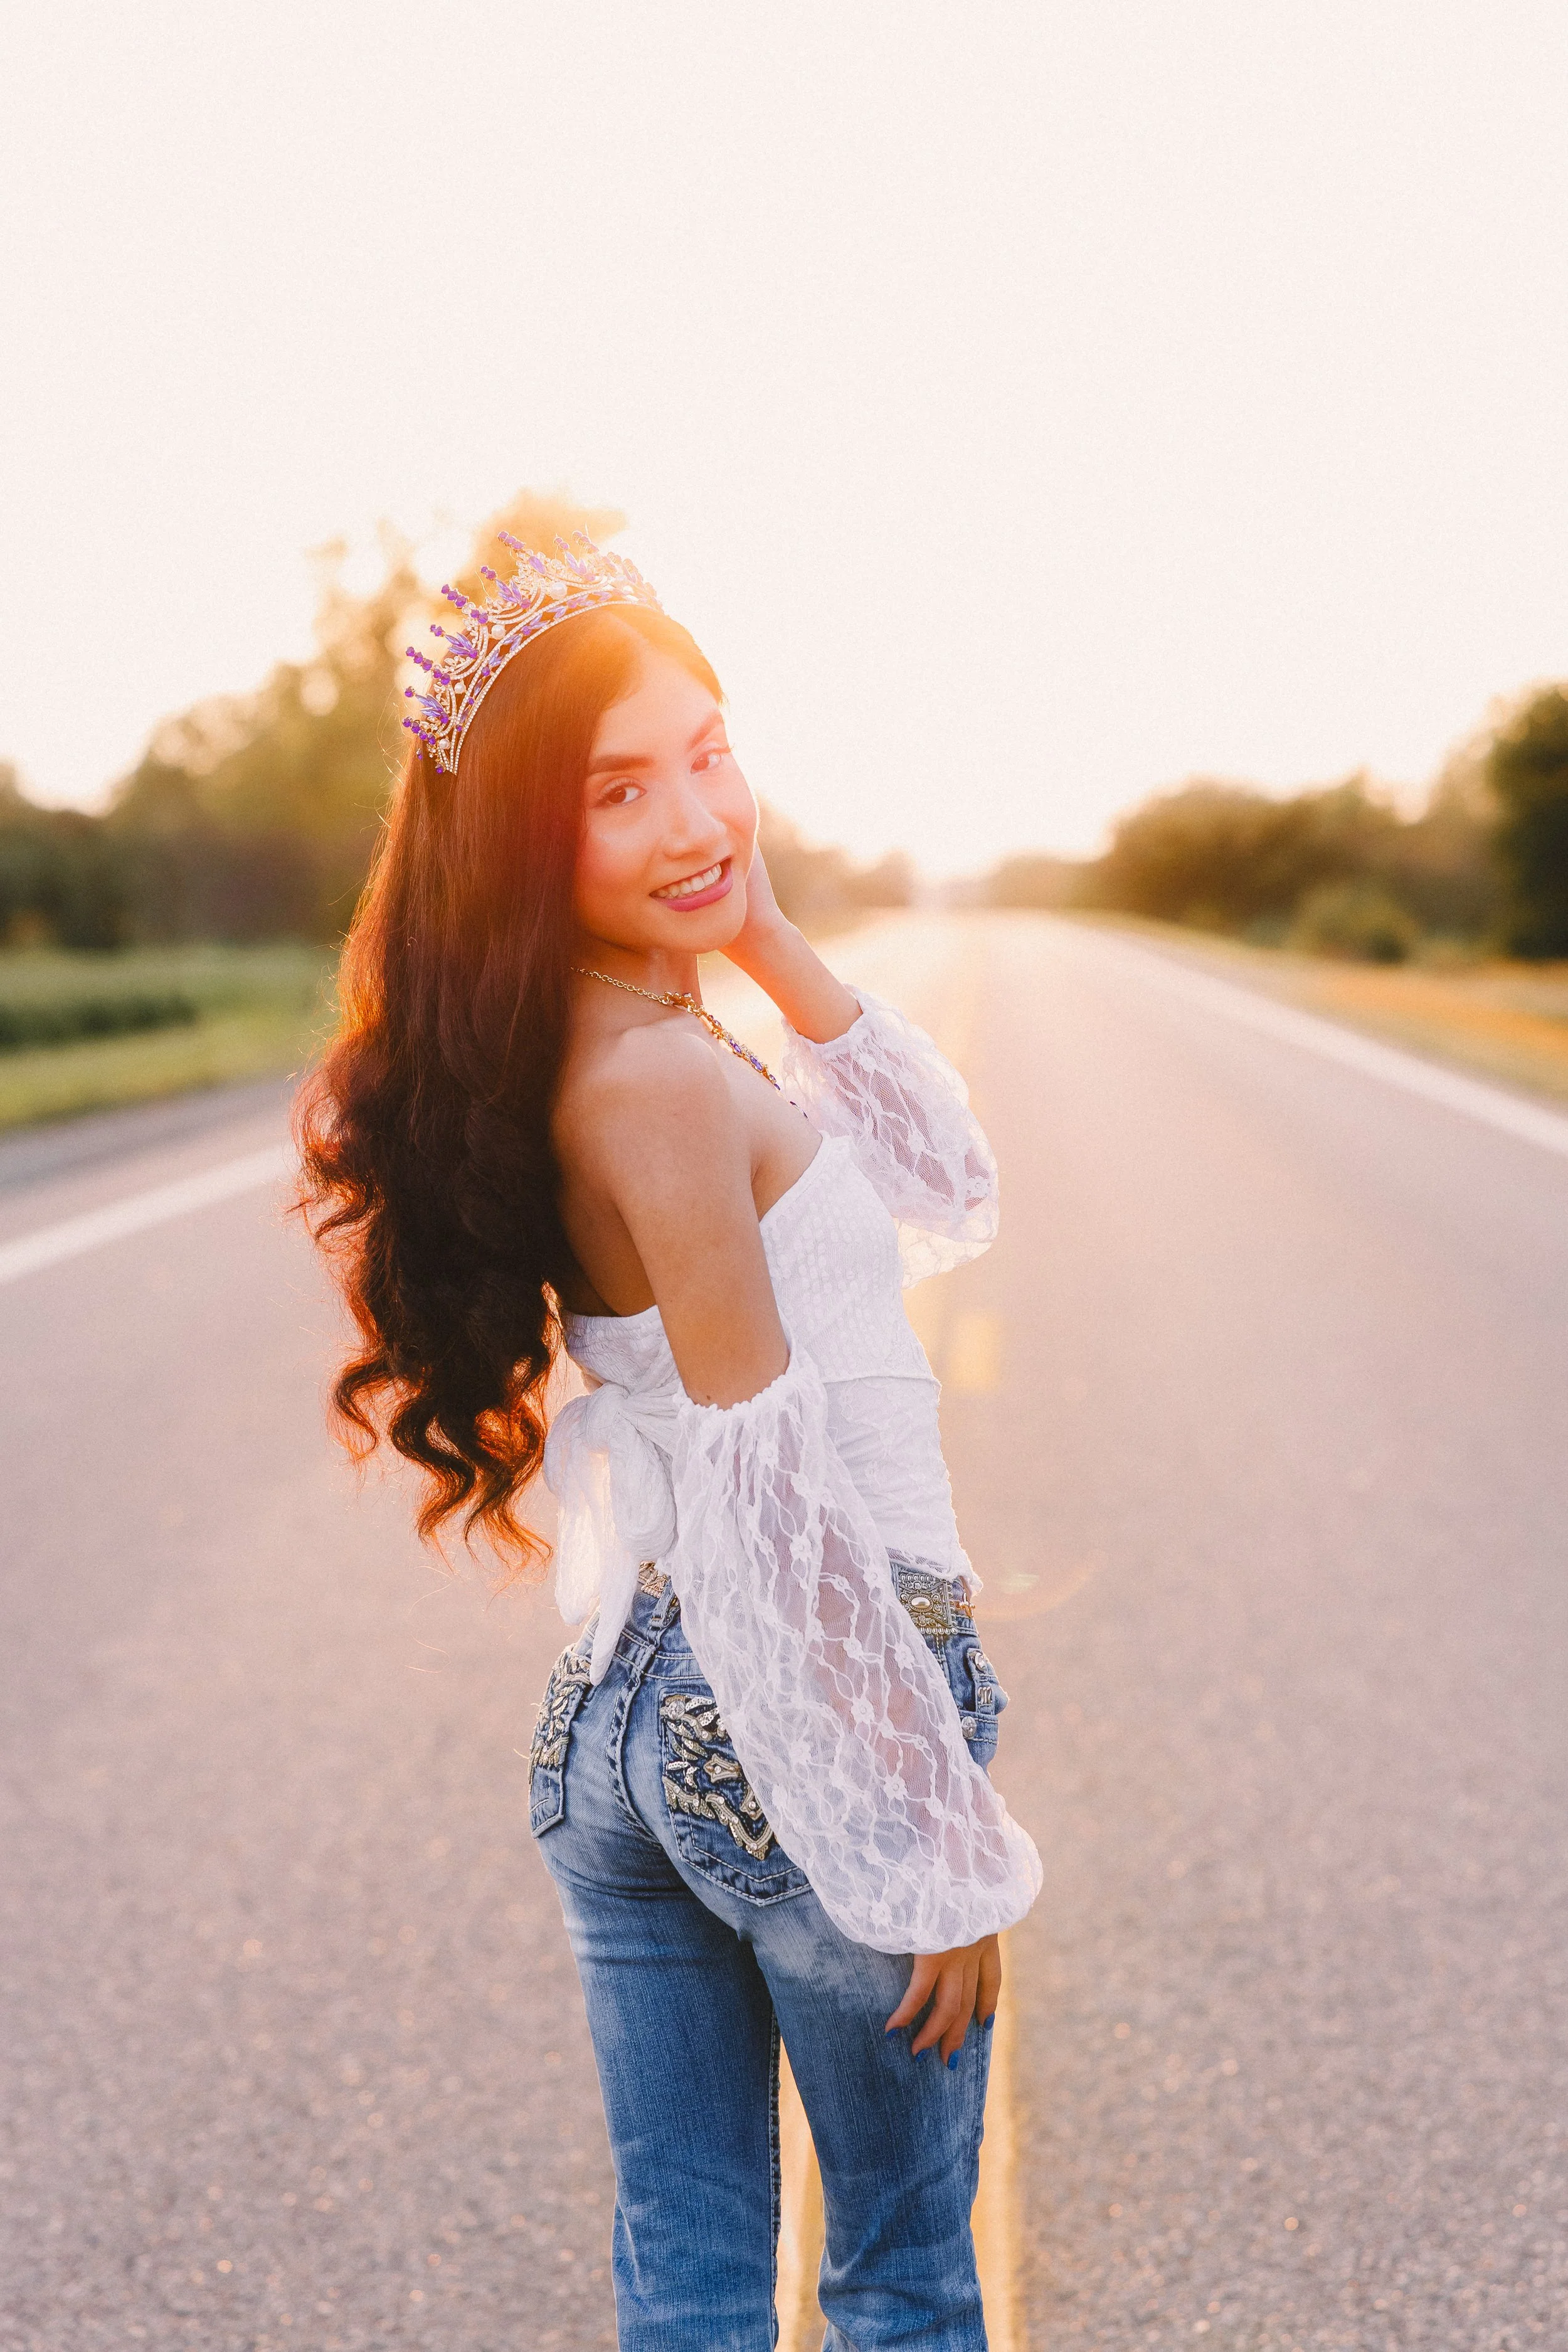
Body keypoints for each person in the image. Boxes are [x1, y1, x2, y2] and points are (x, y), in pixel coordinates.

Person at [298, 533, 1041, 2350]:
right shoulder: (652, 1085)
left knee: (691, 2278)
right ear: (519, 842)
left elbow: (952, 1185)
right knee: (897, 2277)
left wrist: (766, 931)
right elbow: (772, 1496)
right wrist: (919, 1837)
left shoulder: (603, 1035)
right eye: (619, 791)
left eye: (708, 750)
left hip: (623, 1729)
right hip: (796, 1699)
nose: (696, 812)